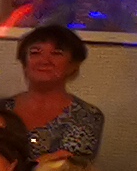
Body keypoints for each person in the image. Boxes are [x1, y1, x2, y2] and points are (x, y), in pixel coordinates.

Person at [6, 23, 107, 163]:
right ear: (24, 63)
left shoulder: (86, 115)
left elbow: (68, 167)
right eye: (35, 53)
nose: (44, 61)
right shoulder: (0, 109)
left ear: (73, 65)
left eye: (56, 53)